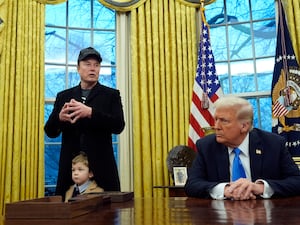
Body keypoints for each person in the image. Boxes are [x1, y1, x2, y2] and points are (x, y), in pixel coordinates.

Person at [44, 47, 125, 199]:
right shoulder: (64, 96)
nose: (92, 68)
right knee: (67, 217)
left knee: (106, 218)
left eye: (96, 65)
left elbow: (118, 126)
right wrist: (59, 119)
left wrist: (91, 113)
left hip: (102, 169)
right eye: (88, 64)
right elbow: (50, 131)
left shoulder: (111, 95)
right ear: (78, 68)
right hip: (71, 170)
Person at [185, 96, 300, 200]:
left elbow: (296, 181)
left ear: (244, 126)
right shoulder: (206, 146)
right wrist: (225, 190)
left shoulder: (273, 144)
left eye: (224, 121)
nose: (216, 127)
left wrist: (260, 188)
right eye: (216, 120)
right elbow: (192, 185)